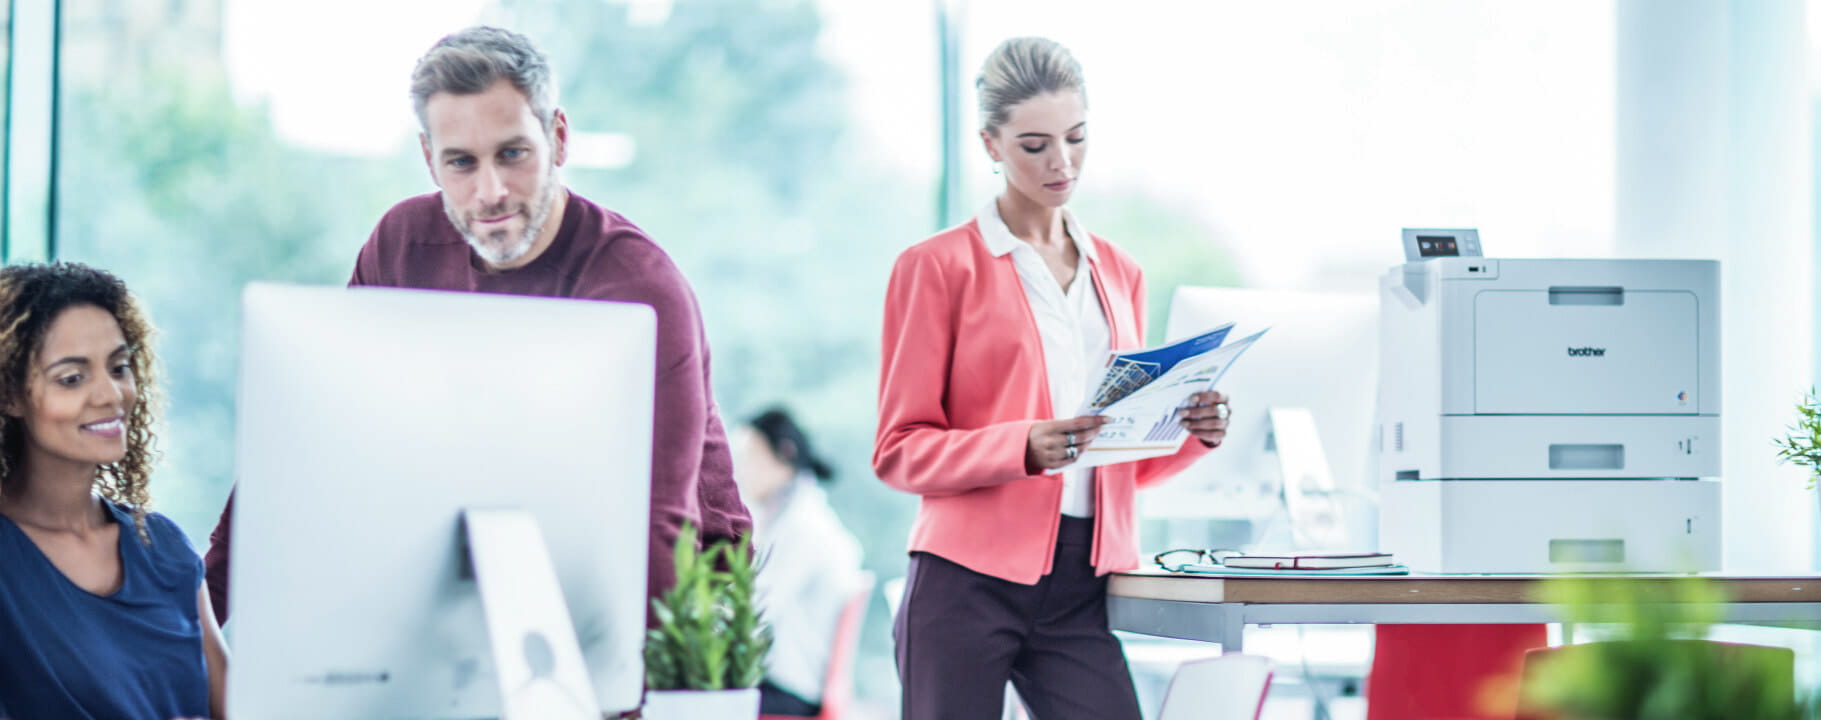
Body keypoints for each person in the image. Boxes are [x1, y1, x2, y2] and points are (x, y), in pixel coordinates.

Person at [201, 26, 751, 622]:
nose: (490, 192)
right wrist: (196, 627)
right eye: (461, 162)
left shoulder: (635, 286)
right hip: (483, 564)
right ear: (429, 160)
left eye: (512, 154)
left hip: (681, 602)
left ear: (558, 139)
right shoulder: (402, 247)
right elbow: (306, 437)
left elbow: (658, 523)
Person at [873, 37, 1231, 720]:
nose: (1061, 162)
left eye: (1076, 137)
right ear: (991, 144)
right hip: (964, 584)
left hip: (1081, 585)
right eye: (1035, 145)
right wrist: (1021, 446)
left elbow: (1115, 455)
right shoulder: (937, 267)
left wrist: (1190, 432)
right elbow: (899, 450)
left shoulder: (1120, 273)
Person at [0, 262, 229, 720]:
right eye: (72, 378)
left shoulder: (164, 547)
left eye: (119, 367)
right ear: (9, 395)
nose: (111, 394)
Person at [733, 407, 864, 717]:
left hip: (788, 691)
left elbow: (755, 613)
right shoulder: (787, 517)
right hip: (779, 686)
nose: (740, 470)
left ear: (784, 457)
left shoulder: (804, 527)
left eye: (750, 456)